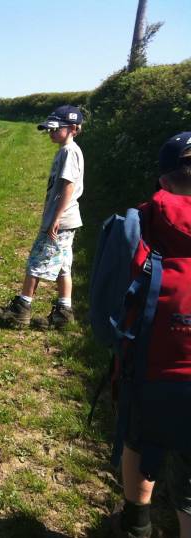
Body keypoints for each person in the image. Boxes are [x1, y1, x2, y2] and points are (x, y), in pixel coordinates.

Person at [113, 132, 191, 538]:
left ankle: (136, 523)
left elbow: (111, 298)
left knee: (139, 440)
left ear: (163, 179)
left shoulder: (141, 220)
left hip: (155, 363)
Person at [0, 105, 84, 329]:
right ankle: (64, 311)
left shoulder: (69, 151)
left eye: (55, 129)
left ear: (72, 128)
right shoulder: (65, 150)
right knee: (63, 265)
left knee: (36, 262)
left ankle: (21, 310)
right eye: (49, 130)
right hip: (66, 221)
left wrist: (56, 217)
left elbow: (69, 187)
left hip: (60, 221)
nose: (51, 133)